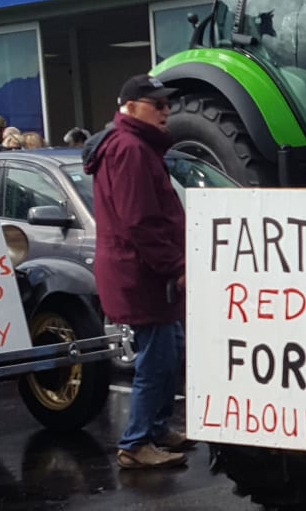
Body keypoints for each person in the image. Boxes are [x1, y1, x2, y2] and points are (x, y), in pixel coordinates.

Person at [83, 73, 194, 470]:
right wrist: (177, 266)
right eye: (157, 104)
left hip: (145, 271)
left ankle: (156, 429)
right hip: (142, 275)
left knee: (171, 350)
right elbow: (140, 221)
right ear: (130, 107)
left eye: (167, 104)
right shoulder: (129, 149)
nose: (166, 111)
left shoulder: (136, 146)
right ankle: (135, 443)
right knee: (158, 358)